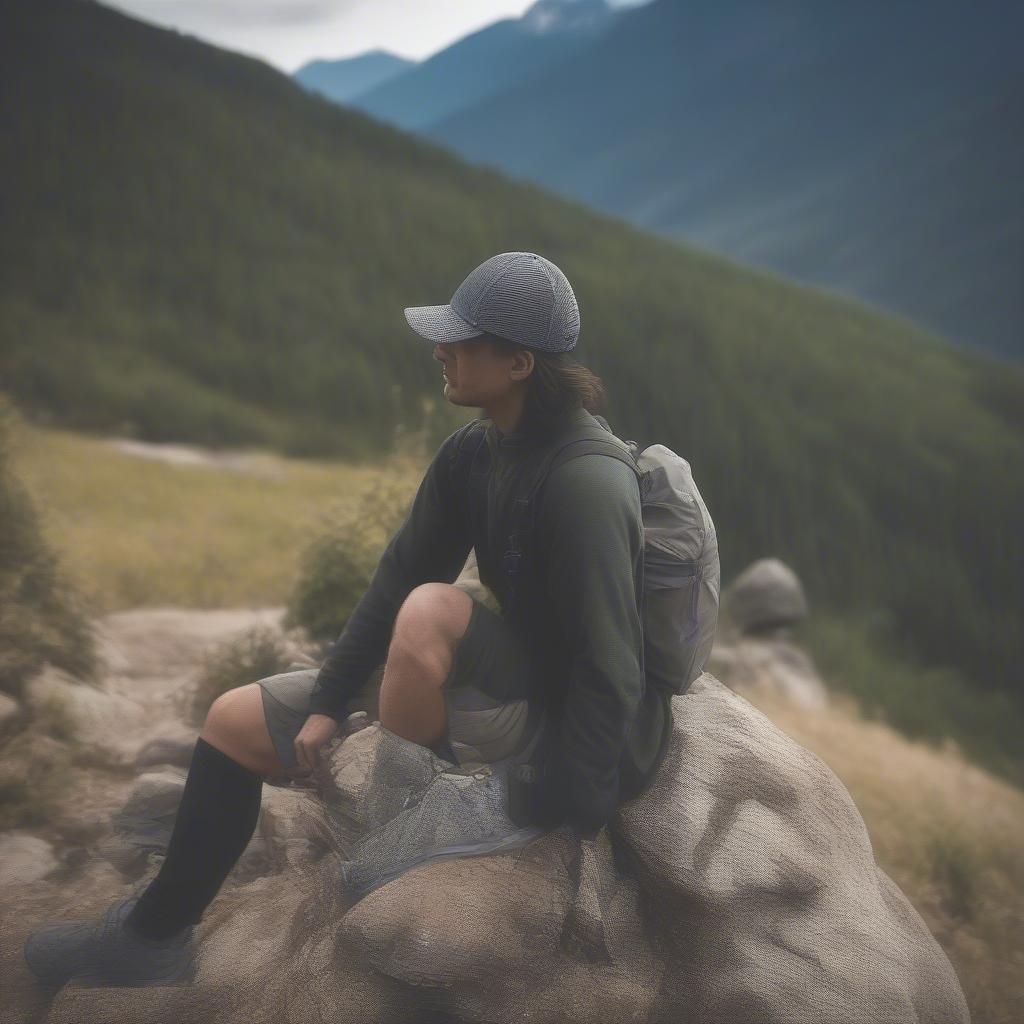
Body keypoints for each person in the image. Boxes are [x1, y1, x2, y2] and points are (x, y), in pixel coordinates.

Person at [23, 251, 673, 988]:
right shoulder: (475, 452)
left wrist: (561, 805)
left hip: (558, 728)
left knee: (433, 612)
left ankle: (428, 808)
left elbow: (611, 666)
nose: (440, 350)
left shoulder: (587, 481)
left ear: (519, 362)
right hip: (497, 681)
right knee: (234, 720)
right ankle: (152, 937)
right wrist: (330, 700)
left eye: (458, 340)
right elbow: (400, 574)